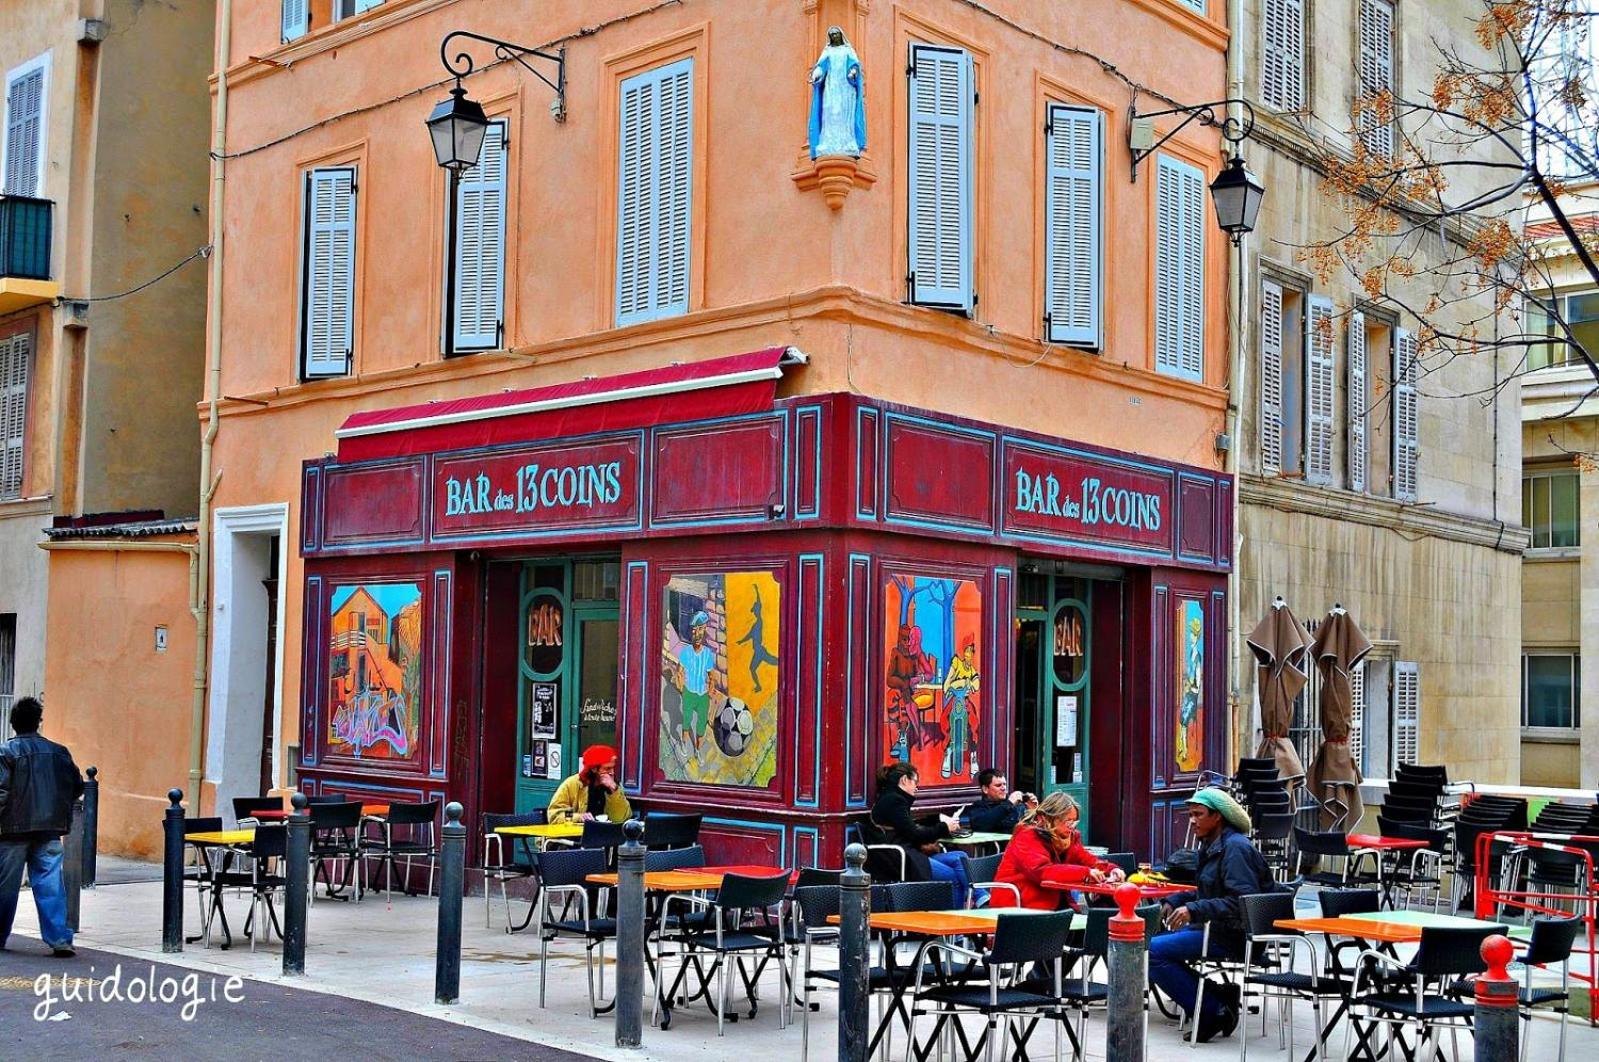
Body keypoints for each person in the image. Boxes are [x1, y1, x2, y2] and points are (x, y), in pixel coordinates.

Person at [1150, 788, 1275, 1043]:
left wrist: (1194, 910)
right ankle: (1218, 995)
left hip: (1234, 934)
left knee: (1152, 952)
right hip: (1211, 929)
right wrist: (1174, 901)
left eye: (1198, 815)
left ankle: (1211, 1010)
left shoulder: (1236, 849)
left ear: (1217, 817)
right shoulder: (1211, 845)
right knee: (1153, 943)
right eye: (1191, 815)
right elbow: (1207, 891)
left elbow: (1242, 902)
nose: (1192, 821)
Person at [0, 697, 84, 956]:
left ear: (13, 724)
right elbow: (77, 785)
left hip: (11, 831)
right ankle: (60, 938)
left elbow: (1, 792)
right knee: (50, 885)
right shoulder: (59, 752)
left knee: (5, 886)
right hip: (49, 828)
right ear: (38, 722)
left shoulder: (6, 752)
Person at [992, 791, 1123, 910]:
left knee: (1100, 919)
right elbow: (1042, 871)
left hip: (1054, 905)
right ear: (1046, 819)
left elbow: (1087, 859)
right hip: (1020, 906)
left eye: (1074, 822)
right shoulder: (1027, 836)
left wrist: (1112, 870)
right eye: (1067, 822)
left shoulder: (1070, 837)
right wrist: (1085, 872)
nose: (1071, 827)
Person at [870, 761, 973, 907]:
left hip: (907, 855)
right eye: (915, 782)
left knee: (960, 857)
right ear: (905, 780)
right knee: (952, 879)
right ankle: (954, 924)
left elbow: (907, 826)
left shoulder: (891, 798)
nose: (916, 788)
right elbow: (915, 834)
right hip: (902, 859)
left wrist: (938, 819)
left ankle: (982, 898)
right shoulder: (894, 800)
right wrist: (944, 827)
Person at [547, 745, 631, 825]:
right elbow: (554, 816)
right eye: (607, 768)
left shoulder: (614, 785)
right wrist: (578, 817)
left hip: (603, 834)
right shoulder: (572, 784)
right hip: (575, 836)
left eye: (613, 768)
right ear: (594, 769)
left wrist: (614, 791)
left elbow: (621, 818)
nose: (612, 772)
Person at [966, 769, 1035, 834]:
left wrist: (1033, 810)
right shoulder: (978, 807)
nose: (1003, 788)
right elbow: (980, 826)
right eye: (998, 785)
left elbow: (1032, 829)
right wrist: (1008, 804)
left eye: (1004, 784)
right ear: (985, 789)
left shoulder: (1017, 805)